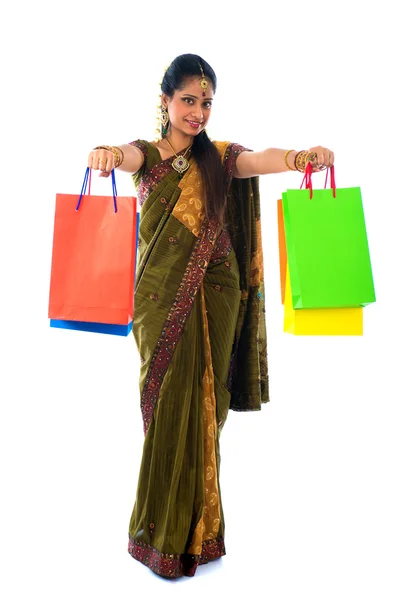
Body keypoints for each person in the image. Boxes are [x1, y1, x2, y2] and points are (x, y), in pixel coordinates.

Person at [87, 53, 335, 580]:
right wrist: (105, 153)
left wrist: (300, 158)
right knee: (170, 407)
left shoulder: (218, 157)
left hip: (219, 294)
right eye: (188, 100)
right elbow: (126, 155)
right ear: (165, 101)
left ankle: (200, 533)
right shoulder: (149, 155)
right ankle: (157, 533)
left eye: (206, 102)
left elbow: (259, 159)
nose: (198, 112)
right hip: (159, 301)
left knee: (206, 406)